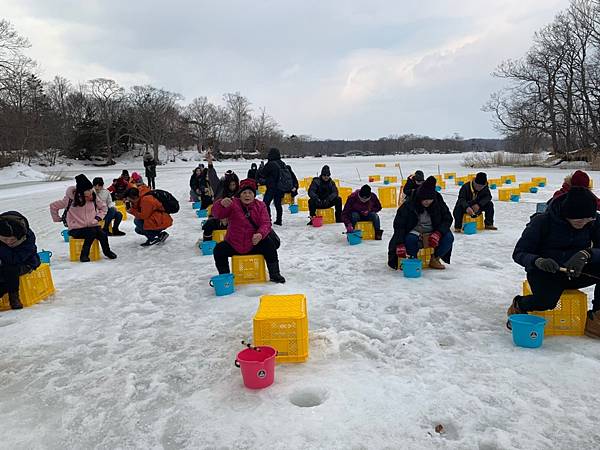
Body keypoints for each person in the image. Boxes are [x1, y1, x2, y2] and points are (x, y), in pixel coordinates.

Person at [509, 187, 600, 338]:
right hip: (545, 272)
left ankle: (596, 317)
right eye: (579, 220)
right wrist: (538, 261)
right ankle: (519, 304)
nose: (584, 223)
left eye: (588, 219)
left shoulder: (594, 221)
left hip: (575, 271)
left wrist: (587, 254)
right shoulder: (542, 222)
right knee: (546, 302)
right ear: (567, 214)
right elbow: (519, 253)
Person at [212, 179, 285, 283]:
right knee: (219, 250)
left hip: (253, 244)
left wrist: (260, 234)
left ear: (254, 195)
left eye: (250, 193)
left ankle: (275, 274)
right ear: (240, 194)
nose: (247, 195)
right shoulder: (232, 204)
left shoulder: (260, 205)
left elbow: (266, 223)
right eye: (244, 193)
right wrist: (220, 204)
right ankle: (225, 278)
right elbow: (217, 214)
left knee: (269, 244)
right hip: (234, 244)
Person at [387, 176, 454, 270]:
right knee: (410, 239)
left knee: (449, 237)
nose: (427, 202)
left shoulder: (438, 201)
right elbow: (399, 225)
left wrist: (438, 233)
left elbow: (448, 218)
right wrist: (400, 243)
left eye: (430, 199)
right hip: (415, 230)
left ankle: (434, 258)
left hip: (433, 230)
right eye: (424, 199)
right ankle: (413, 259)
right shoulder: (409, 203)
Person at [50, 174, 117, 262]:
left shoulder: (93, 197)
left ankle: (107, 251)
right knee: (91, 233)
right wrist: (57, 218)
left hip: (92, 225)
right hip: (76, 228)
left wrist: (97, 218)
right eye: (87, 190)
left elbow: (104, 208)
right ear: (80, 191)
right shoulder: (70, 199)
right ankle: (84, 255)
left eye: (90, 189)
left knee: (102, 234)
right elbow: (53, 206)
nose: (90, 192)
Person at [0, 212, 41, 309]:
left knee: (10, 269)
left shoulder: (28, 238)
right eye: (5, 239)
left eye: (12, 240)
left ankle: (14, 298)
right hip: (4, 264)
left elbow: (14, 259)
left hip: (25, 263)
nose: (9, 242)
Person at [202, 153, 240, 241]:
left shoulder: (239, 193)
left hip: (233, 219)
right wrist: (210, 163)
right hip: (217, 217)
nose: (232, 186)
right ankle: (207, 243)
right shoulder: (220, 188)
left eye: (234, 184)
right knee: (208, 225)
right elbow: (213, 177)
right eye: (230, 184)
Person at [261, 147, 292, 226]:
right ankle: (279, 220)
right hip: (280, 187)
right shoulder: (282, 163)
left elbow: (263, 174)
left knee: (265, 204)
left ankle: (268, 220)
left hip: (271, 187)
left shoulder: (270, 164)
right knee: (278, 204)